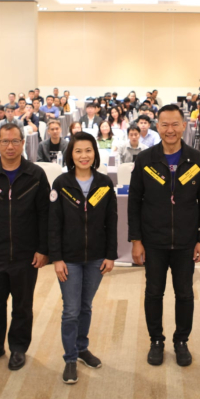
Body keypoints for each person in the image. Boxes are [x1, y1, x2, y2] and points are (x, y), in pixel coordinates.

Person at [129, 105, 200, 367]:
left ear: (184, 126)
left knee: (184, 294)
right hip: (153, 241)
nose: (170, 130)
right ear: (158, 127)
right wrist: (136, 240)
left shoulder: (196, 160)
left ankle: (181, 341)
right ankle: (156, 340)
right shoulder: (145, 159)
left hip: (186, 242)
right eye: (164, 124)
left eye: (175, 124)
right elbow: (134, 202)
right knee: (154, 293)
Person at [0, 123, 50, 371]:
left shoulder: (35, 174)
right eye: (5, 141)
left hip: (26, 255)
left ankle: (18, 348)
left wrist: (43, 248)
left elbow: (45, 215)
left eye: (15, 141)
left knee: (22, 306)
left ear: (23, 143)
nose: (10, 146)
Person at [49, 132, 117, 384]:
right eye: (78, 151)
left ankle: (81, 348)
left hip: (96, 257)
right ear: (71, 155)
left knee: (86, 306)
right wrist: (56, 258)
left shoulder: (104, 183)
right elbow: (53, 224)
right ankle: (69, 359)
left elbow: (112, 221)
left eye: (88, 150)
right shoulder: (61, 183)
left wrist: (111, 255)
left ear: (95, 154)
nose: (83, 156)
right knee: (71, 310)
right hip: (69, 258)